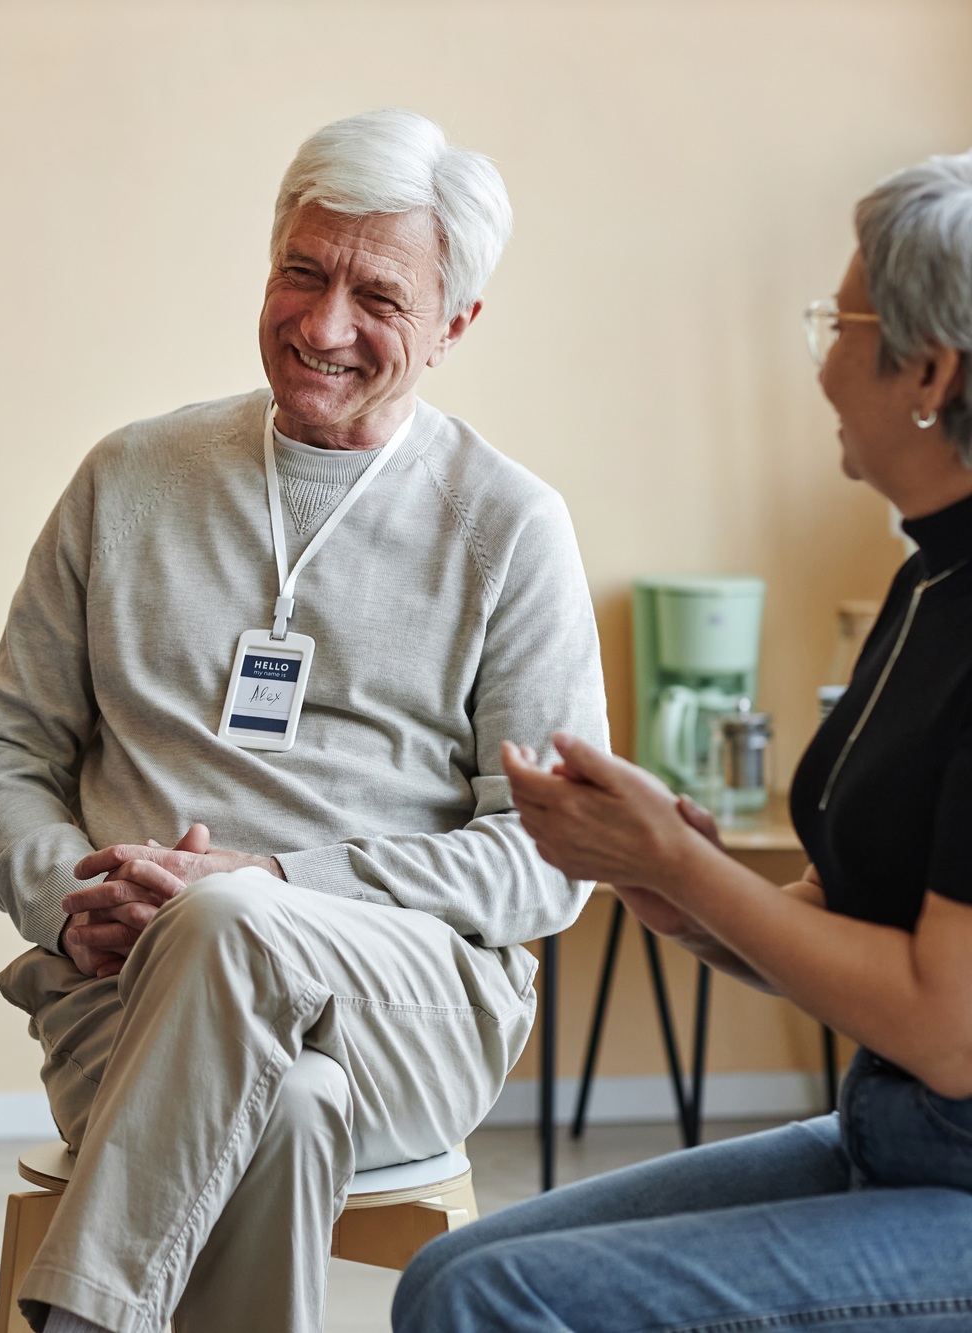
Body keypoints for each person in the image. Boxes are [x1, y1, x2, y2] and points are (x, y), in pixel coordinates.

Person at [0, 109, 609, 1333]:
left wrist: (278, 882)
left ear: (456, 322)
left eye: (377, 295)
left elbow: (545, 852)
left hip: (406, 1007)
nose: (323, 325)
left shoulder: (509, 525)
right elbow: (3, 753)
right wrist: (66, 893)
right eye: (300, 272)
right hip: (122, 993)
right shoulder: (128, 476)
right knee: (288, 1105)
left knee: (235, 916)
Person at [392, 148, 972, 1332]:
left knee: (487, 1302)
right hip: (894, 1135)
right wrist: (677, 898)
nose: (816, 362)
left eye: (837, 320)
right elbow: (849, 936)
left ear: (927, 366)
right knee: (445, 1276)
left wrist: (678, 861)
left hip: (951, 1164)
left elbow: (942, 1028)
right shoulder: (925, 586)